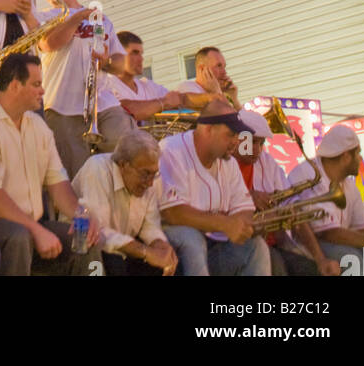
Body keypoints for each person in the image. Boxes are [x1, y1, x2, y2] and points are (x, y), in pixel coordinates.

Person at [0, 52, 101, 277]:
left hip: (26, 224)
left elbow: (58, 183)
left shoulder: (38, 127)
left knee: (85, 239)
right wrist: (36, 230)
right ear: (15, 85)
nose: (42, 90)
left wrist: (81, 215)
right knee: (19, 236)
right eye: (36, 84)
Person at [158, 99, 271, 276]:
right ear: (208, 129)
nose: (236, 141)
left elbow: (244, 208)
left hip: (215, 244)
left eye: (238, 135)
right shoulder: (172, 149)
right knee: (192, 238)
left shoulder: (229, 162)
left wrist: (242, 226)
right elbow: (172, 213)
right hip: (173, 248)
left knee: (256, 246)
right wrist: (225, 223)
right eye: (230, 134)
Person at [35, 0, 127, 174]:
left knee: (127, 151)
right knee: (77, 173)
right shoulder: (47, 17)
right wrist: (78, 16)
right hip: (62, 106)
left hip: (103, 102)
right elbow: (49, 43)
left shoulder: (101, 19)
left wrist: (107, 61)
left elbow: (121, 63)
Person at [234, 109, 339, 278]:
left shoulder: (267, 162)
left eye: (261, 143)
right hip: (241, 245)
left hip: (274, 244)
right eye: (252, 142)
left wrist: (320, 260)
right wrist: (248, 197)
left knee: (313, 271)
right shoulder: (222, 162)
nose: (258, 150)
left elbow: (294, 208)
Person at [72, 131, 178, 277]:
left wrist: (161, 246)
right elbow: (98, 232)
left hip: (123, 248)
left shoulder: (148, 180)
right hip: (85, 246)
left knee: (163, 264)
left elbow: (150, 226)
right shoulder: (97, 169)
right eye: (145, 174)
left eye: (154, 174)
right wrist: (145, 252)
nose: (150, 182)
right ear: (123, 165)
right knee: (114, 263)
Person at [287, 124, 364, 274]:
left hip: (334, 243)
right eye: (357, 153)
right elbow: (329, 233)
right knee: (351, 259)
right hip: (305, 247)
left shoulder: (349, 185)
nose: (360, 158)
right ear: (345, 157)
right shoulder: (308, 174)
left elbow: (363, 230)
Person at [101, 30, 214, 128]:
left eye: (141, 53)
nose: (141, 59)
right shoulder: (106, 85)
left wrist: (212, 98)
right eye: (134, 53)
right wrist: (164, 102)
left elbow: (180, 99)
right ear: (118, 54)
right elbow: (125, 109)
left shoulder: (147, 85)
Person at [174, 46, 240, 109]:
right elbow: (223, 118)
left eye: (224, 67)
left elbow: (241, 120)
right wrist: (217, 93)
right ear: (202, 69)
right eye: (218, 66)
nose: (224, 72)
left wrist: (234, 101)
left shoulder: (215, 91)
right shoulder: (186, 87)